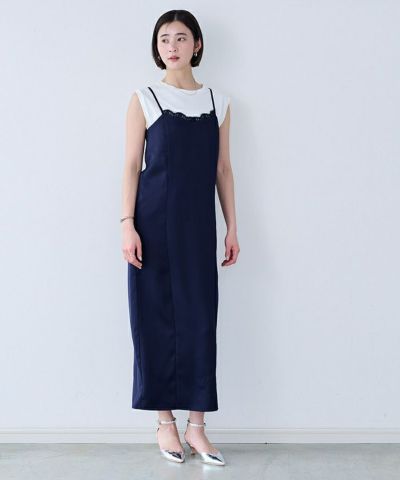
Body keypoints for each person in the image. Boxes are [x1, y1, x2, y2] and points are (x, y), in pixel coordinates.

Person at [121, 9, 240, 466]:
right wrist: (127, 223)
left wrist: (232, 226)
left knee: (199, 321)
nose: (172, 46)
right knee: (153, 318)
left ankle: (197, 426)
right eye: (164, 39)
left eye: (181, 37)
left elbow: (223, 169)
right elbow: (131, 166)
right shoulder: (145, 98)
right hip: (151, 225)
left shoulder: (218, 102)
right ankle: (165, 421)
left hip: (197, 228)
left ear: (197, 45)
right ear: (157, 48)